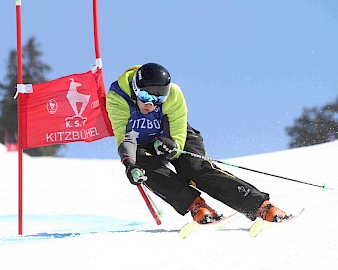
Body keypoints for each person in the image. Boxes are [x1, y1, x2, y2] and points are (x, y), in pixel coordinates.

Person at [106, 63, 289, 224]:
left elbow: (177, 134)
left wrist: (172, 147)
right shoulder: (117, 97)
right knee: (143, 167)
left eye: (157, 100)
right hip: (141, 144)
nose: (150, 104)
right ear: (136, 89)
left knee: (194, 169)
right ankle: (197, 206)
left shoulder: (174, 94)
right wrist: (129, 165)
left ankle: (260, 206)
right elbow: (126, 138)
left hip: (174, 137)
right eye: (145, 97)